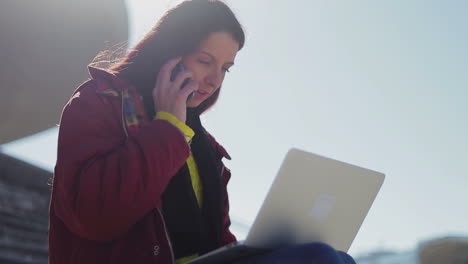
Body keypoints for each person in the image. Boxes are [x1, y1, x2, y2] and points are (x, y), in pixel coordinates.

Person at [48, 0, 356, 263]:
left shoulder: (204, 146)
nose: (214, 80)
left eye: (225, 68)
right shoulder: (98, 102)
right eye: (205, 61)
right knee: (320, 258)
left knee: (335, 257)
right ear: (168, 52)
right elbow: (94, 216)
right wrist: (167, 126)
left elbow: (217, 241)